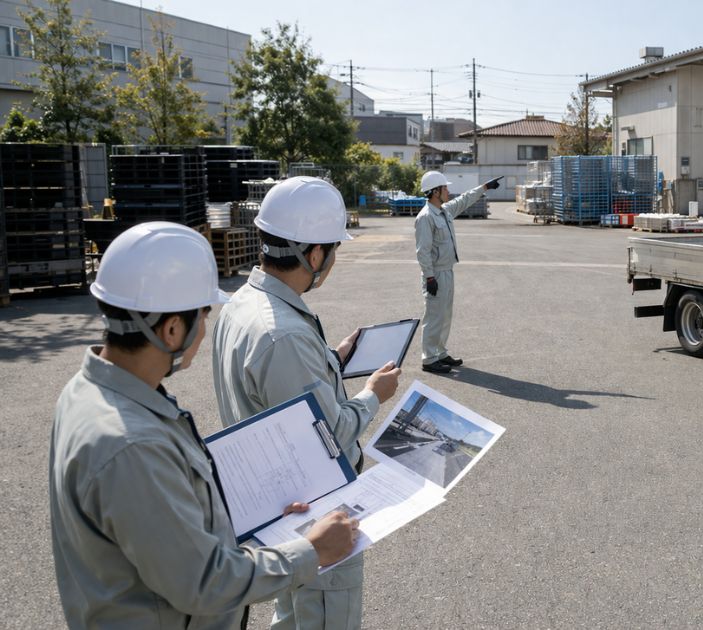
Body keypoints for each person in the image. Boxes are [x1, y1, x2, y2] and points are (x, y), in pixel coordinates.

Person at [49, 222, 358, 629]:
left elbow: (160, 528)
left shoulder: (87, 393)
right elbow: (204, 582)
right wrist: (311, 551)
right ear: (172, 328)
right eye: (202, 314)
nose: (206, 328)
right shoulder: (132, 444)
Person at [212, 176, 402, 630]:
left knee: (292, 615)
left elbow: (276, 390)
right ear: (313, 254)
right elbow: (329, 435)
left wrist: (331, 360)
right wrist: (373, 395)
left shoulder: (243, 303)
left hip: (278, 506)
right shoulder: (285, 335)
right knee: (318, 616)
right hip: (313, 512)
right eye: (333, 249)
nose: (332, 260)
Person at [414, 171, 500, 373]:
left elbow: (464, 199)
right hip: (435, 274)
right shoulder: (425, 217)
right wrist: (429, 277)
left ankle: (440, 352)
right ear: (435, 192)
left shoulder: (444, 211)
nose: (448, 191)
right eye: (445, 188)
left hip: (447, 271)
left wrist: (484, 187)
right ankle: (429, 358)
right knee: (434, 316)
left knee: (445, 315)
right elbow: (422, 251)